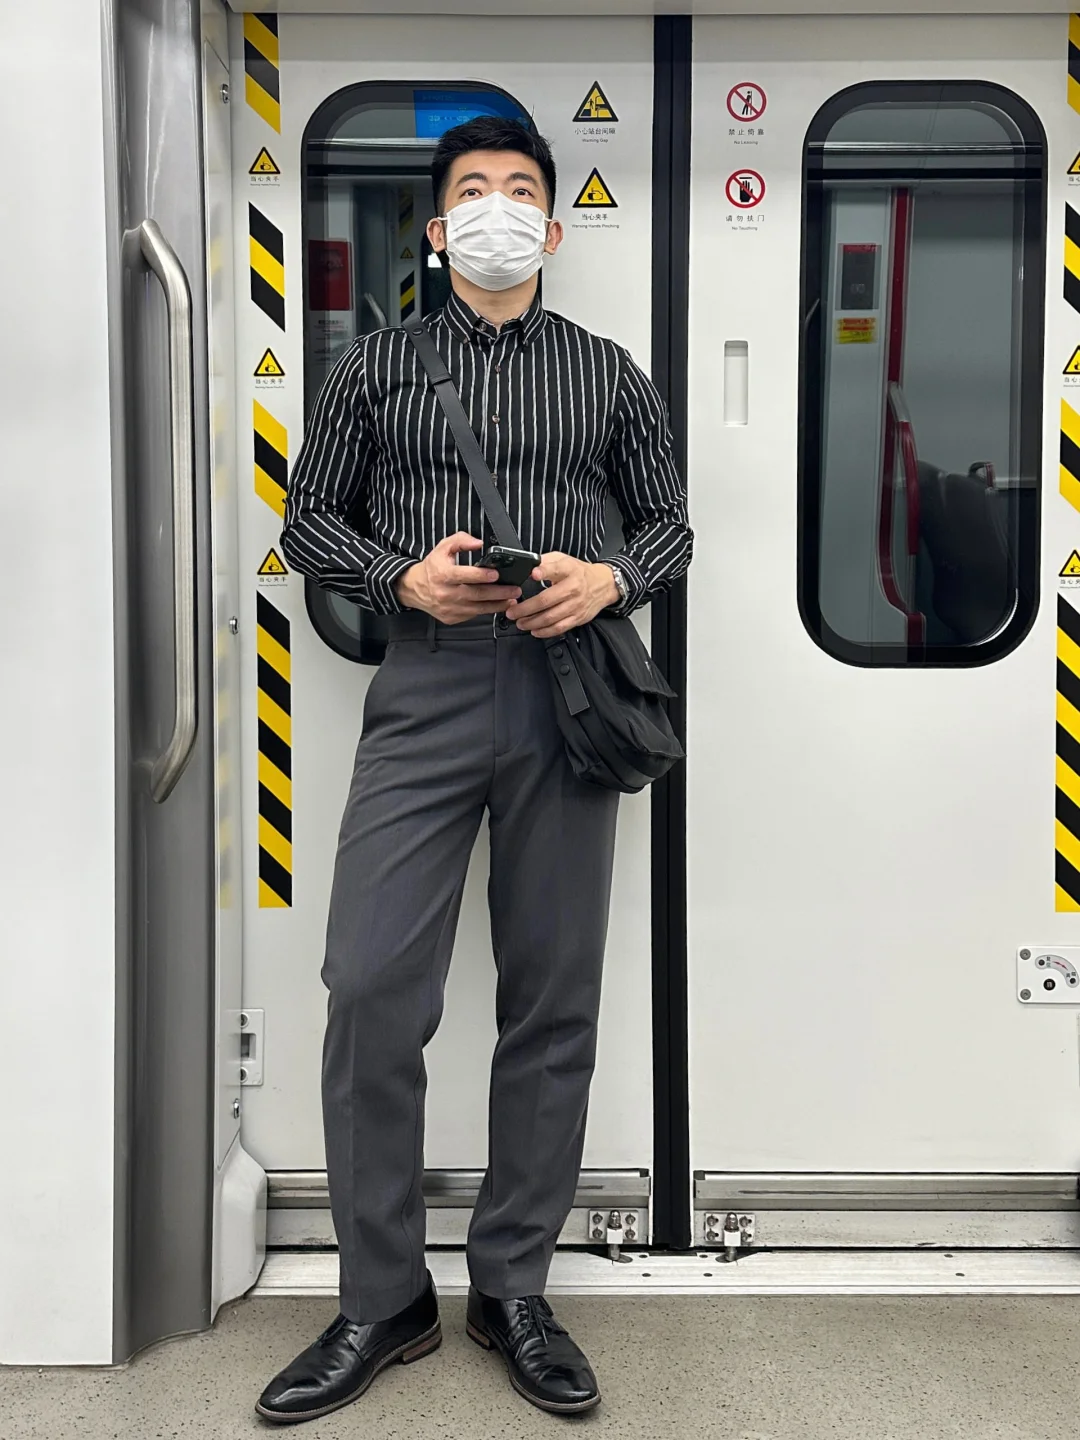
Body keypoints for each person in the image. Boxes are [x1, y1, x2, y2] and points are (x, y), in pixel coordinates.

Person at [257, 115, 692, 1425]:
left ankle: (513, 1288)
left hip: (570, 691)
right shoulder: (373, 367)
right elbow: (307, 522)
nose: (499, 209)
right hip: (428, 686)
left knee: (551, 998)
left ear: (550, 228)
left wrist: (610, 579)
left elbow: (671, 527)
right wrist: (401, 578)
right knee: (369, 985)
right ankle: (381, 1298)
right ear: (440, 230)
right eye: (473, 192)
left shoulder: (609, 373)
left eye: (521, 191)